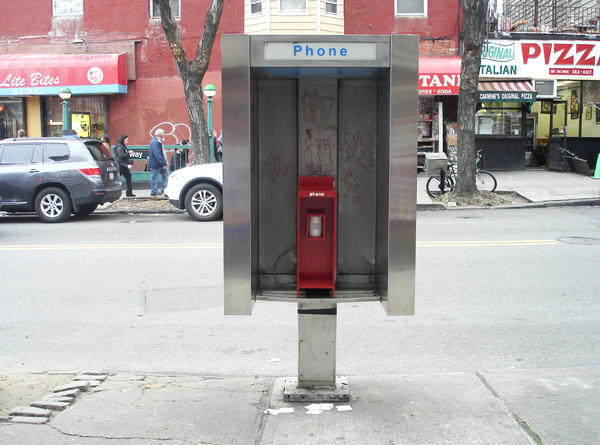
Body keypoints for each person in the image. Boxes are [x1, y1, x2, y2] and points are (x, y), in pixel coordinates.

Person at [149, 128, 169, 196]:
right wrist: (163, 162)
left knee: (163, 175)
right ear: (160, 135)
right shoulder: (156, 142)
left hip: (158, 163)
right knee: (155, 177)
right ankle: (154, 191)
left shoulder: (156, 141)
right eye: (163, 134)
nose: (164, 135)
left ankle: (162, 189)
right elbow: (157, 154)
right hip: (157, 164)